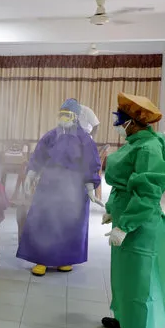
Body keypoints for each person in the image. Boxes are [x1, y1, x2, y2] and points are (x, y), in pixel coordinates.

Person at [101, 92, 165, 328]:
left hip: (140, 225)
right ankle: (126, 318)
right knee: (124, 274)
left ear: (133, 122)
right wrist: (114, 211)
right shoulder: (137, 141)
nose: (120, 126)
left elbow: (146, 192)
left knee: (140, 279)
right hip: (127, 217)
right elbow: (126, 181)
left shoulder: (148, 147)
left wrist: (126, 224)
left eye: (122, 121)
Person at [18, 98, 102, 276]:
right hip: (49, 185)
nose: (63, 118)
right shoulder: (51, 136)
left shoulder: (84, 139)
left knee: (70, 223)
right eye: (61, 114)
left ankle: (65, 259)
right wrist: (30, 175)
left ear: (76, 117)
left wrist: (90, 188)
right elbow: (38, 156)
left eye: (67, 114)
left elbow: (91, 164)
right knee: (44, 221)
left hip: (75, 189)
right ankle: (41, 259)